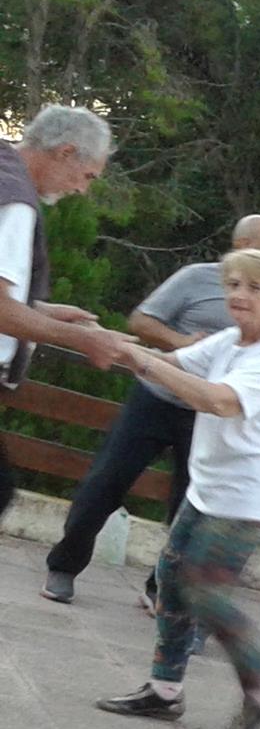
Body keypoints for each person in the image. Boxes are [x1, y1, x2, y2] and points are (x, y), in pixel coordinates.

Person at [93, 249, 260, 729]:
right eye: (233, 285)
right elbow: (171, 365)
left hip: (252, 497)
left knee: (204, 590)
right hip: (210, 487)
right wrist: (116, 345)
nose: (239, 295)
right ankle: (165, 690)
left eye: (253, 287)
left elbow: (216, 400)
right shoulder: (232, 340)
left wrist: (144, 360)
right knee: (170, 577)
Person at [42, 213, 260, 604]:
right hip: (155, 401)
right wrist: (172, 343)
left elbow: (230, 391)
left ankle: (162, 591)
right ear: (243, 245)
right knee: (106, 482)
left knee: (187, 504)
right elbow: (141, 321)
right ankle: (64, 567)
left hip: (207, 416)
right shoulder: (195, 279)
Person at [1, 106, 128, 520]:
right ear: (65, 152)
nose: (83, 190)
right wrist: (82, 338)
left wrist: (46, 312)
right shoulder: (16, 203)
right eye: (87, 175)